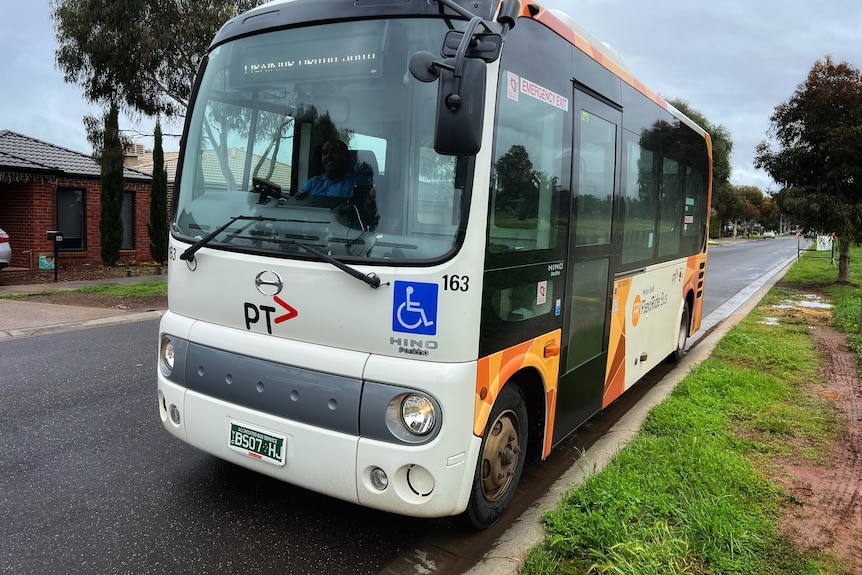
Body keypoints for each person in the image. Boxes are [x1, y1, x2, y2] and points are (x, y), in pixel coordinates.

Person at [299, 138, 370, 198]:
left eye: (335, 152)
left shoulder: (359, 183)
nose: (328, 156)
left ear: (346, 156)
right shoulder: (312, 184)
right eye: (325, 153)